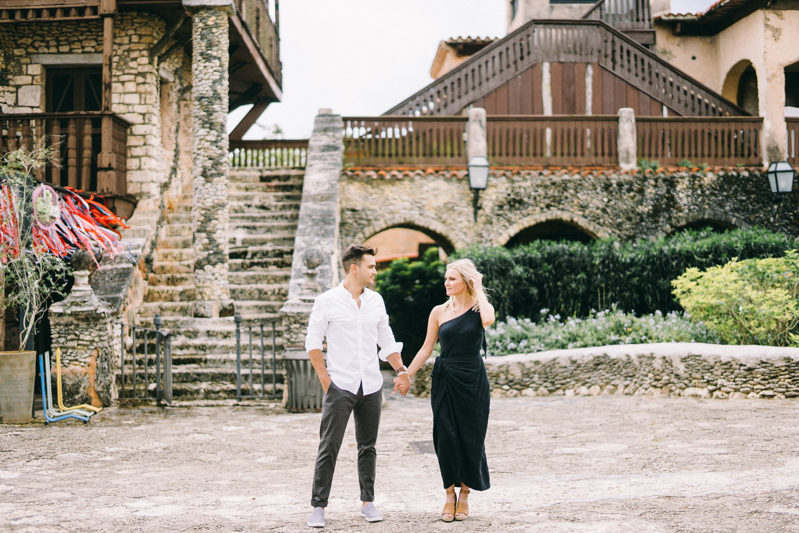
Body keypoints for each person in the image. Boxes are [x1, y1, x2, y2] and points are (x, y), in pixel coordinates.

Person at [304, 244, 412, 528]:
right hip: (340, 384)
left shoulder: (376, 301)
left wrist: (400, 369)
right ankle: (318, 506)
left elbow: (386, 341)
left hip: (372, 385)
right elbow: (313, 343)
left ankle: (368, 502)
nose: (375, 271)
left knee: (368, 447)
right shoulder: (326, 301)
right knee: (329, 445)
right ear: (355, 268)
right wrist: (326, 381)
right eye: (371, 266)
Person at [402, 258, 494, 522]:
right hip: (445, 378)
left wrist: (478, 289)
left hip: (472, 378)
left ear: (466, 281)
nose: (446, 282)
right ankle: (449, 494)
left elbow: (489, 320)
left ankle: (465, 493)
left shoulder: (480, 308)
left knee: (471, 435)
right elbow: (426, 348)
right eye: (446, 278)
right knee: (445, 437)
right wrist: (406, 374)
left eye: (452, 279)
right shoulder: (438, 312)